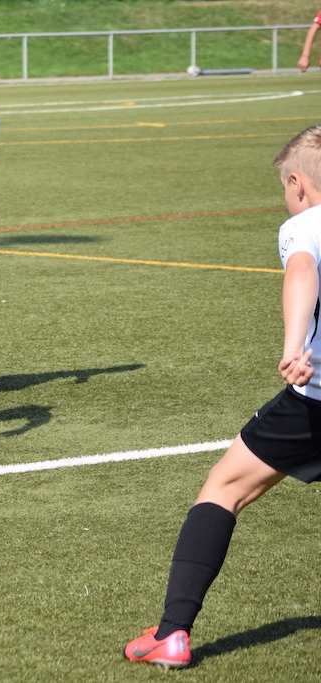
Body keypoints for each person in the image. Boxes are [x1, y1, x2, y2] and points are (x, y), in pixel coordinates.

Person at [123, 124, 321, 669]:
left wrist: (294, 347)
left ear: (298, 184)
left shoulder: (305, 224)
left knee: (223, 487)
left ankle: (172, 633)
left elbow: (302, 271)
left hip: (314, 402)